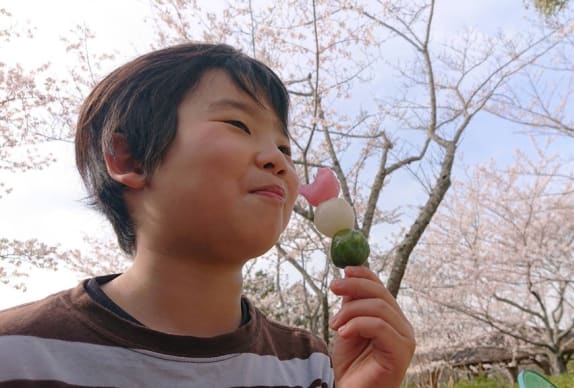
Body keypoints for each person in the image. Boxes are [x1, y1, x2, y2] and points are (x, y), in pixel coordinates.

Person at [0, 43, 415, 387]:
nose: (278, 161)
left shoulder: (308, 366)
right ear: (129, 158)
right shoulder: (18, 353)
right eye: (237, 123)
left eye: (285, 149)